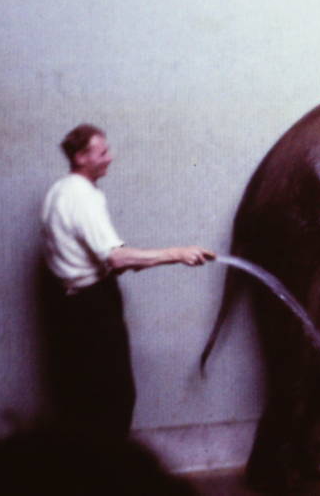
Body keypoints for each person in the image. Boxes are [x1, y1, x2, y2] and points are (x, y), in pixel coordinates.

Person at [40, 124, 216, 439]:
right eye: (103, 152)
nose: (110, 157)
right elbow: (116, 258)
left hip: (68, 307)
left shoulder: (59, 190)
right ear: (81, 157)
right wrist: (177, 253)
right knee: (113, 398)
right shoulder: (83, 197)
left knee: (81, 398)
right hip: (91, 308)